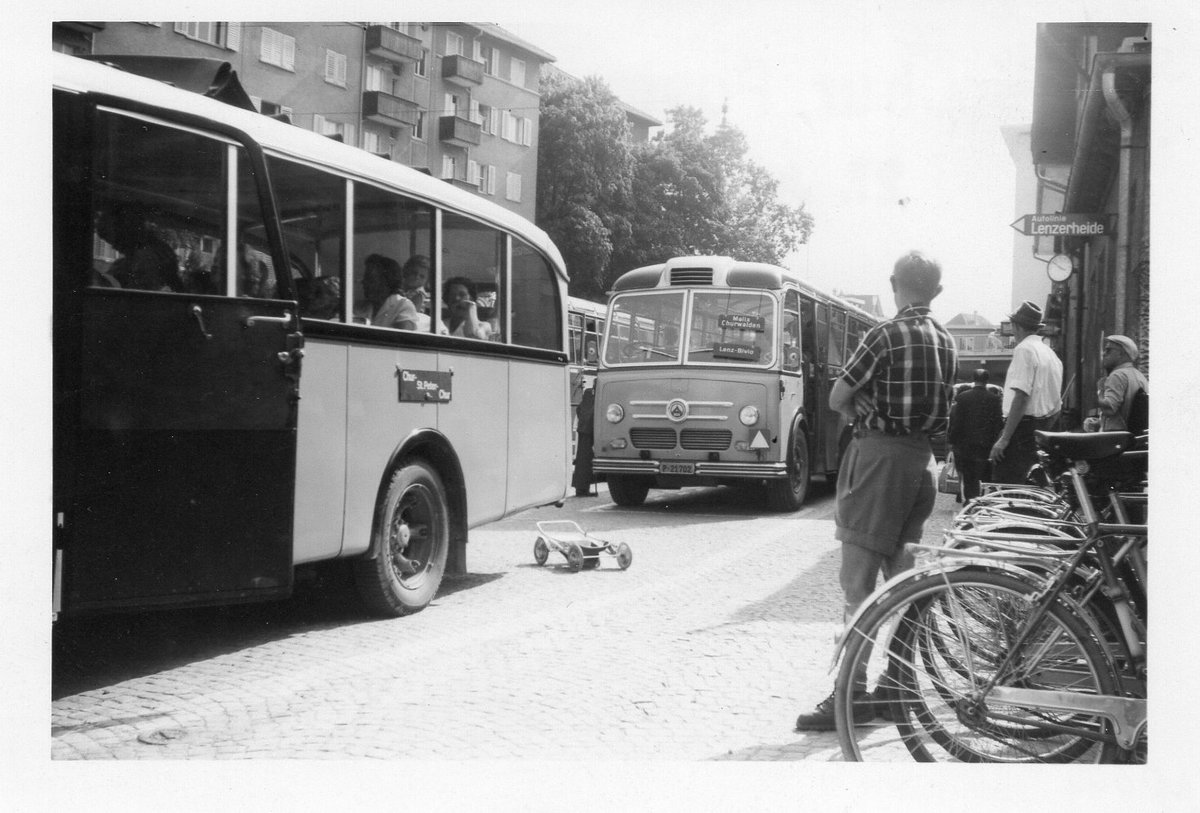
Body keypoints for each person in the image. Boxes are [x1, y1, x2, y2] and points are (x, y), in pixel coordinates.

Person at [793, 250, 957, 732]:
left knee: (857, 584)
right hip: (921, 464)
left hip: (880, 461)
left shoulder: (883, 335)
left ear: (893, 284)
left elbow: (836, 397)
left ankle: (851, 692)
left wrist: (863, 406)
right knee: (904, 582)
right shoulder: (946, 340)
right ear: (936, 292)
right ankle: (896, 688)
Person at [989, 301, 1063, 483]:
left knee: (1009, 489)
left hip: (1021, 430)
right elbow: (1057, 405)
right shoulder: (1051, 354)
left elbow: (1021, 396)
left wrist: (1005, 439)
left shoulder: (1024, 350)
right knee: (1035, 489)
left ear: (1016, 326)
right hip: (1043, 428)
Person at [95, 203, 182, 292]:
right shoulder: (158, 250)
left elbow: (137, 293)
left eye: (116, 241)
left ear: (127, 233)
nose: (114, 247)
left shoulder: (145, 257)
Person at [947, 369, 1003, 502]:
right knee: (983, 473)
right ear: (987, 380)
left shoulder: (962, 398)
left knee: (968, 475)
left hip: (965, 444)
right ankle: (983, 498)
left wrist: (952, 440)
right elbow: (998, 424)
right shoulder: (994, 400)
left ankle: (969, 500)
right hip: (986, 445)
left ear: (973, 379)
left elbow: (957, 422)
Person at [1094, 334, 1148, 432]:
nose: (1103, 353)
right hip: (1133, 437)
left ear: (1121, 354)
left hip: (1116, 439)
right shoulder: (1139, 375)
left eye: (1108, 350)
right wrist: (1098, 423)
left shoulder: (1117, 375)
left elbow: (1109, 409)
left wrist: (1100, 390)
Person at [362, 253, 421, 330]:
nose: (363, 282)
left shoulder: (403, 306)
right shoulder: (361, 306)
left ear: (387, 281)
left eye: (370, 279)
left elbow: (405, 339)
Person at [571, 385, 596, 497]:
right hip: (591, 429)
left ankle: (580, 488)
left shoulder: (587, 393)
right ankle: (583, 489)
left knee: (581, 459)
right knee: (587, 459)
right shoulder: (598, 394)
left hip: (582, 429)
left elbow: (579, 409)